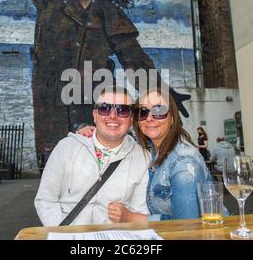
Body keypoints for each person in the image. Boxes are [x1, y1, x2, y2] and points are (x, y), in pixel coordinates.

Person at [5, 0, 190, 163]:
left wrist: (161, 95)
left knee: (93, 161)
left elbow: (134, 59)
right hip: (50, 94)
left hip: (90, 99)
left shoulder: (109, 16)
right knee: (53, 157)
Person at [78, 89, 215, 221]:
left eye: (159, 111)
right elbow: (118, 132)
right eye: (142, 112)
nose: (149, 118)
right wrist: (91, 131)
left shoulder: (183, 164)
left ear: (172, 118)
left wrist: (131, 217)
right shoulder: (150, 148)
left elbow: (187, 228)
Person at [34, 86, 149, 226]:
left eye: (122, 110)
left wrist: (127, 218)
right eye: (104, 108)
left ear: (131, 119)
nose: (113, 115)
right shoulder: (66, 148)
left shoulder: (143, 158)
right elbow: (45, 199)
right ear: (95, 115)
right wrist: (62, 233)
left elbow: (140, 209)